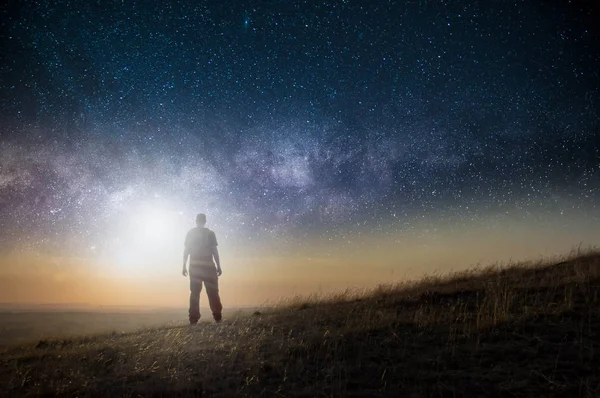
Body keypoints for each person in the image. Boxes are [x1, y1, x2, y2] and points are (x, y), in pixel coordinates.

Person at [182, 213, 223, 325]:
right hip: (208, 266)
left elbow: (186, 251)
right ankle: (218, 318)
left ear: (196, 221)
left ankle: (193, 320)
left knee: (195, 293)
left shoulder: (190, 233)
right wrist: (218, 266)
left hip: (194, 267)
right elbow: (214, 251)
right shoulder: (210, 233)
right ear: (205, 221)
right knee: (213, 292)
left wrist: (184, 265)